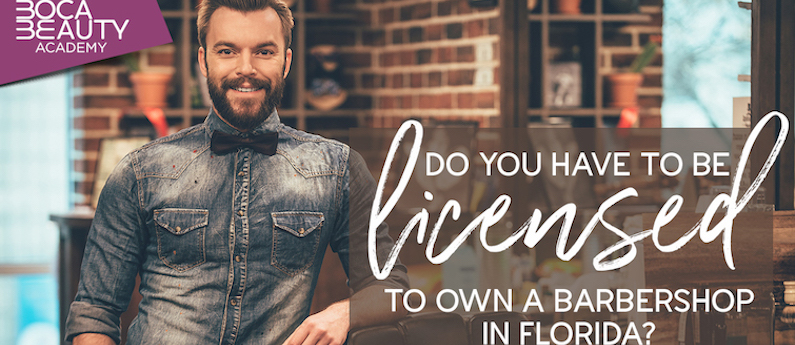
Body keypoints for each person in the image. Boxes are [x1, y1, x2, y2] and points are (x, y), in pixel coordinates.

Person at [65, 0, 408, 344]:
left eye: (264, 51)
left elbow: (392, 288)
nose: (246, 68)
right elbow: (94, 311)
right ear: (204, 60)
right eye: (227, 51)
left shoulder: (337, 169)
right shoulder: (139, 172)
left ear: (286, 62)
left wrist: (343, 312)